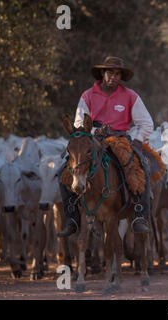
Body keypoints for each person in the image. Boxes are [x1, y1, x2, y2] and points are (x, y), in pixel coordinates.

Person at [58, 56, 154, 236]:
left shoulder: (130, 96)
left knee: (143, 166)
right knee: (62, 171)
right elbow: (79, 123)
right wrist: (94, 132)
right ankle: (72, 218)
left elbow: (147, 123)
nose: (113, 77)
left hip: (121, 141)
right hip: (92, 141)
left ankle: (140, 214)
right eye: (110, 72)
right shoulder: (88, 95)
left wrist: (138, 140)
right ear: (103, 73)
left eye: (117, 74)